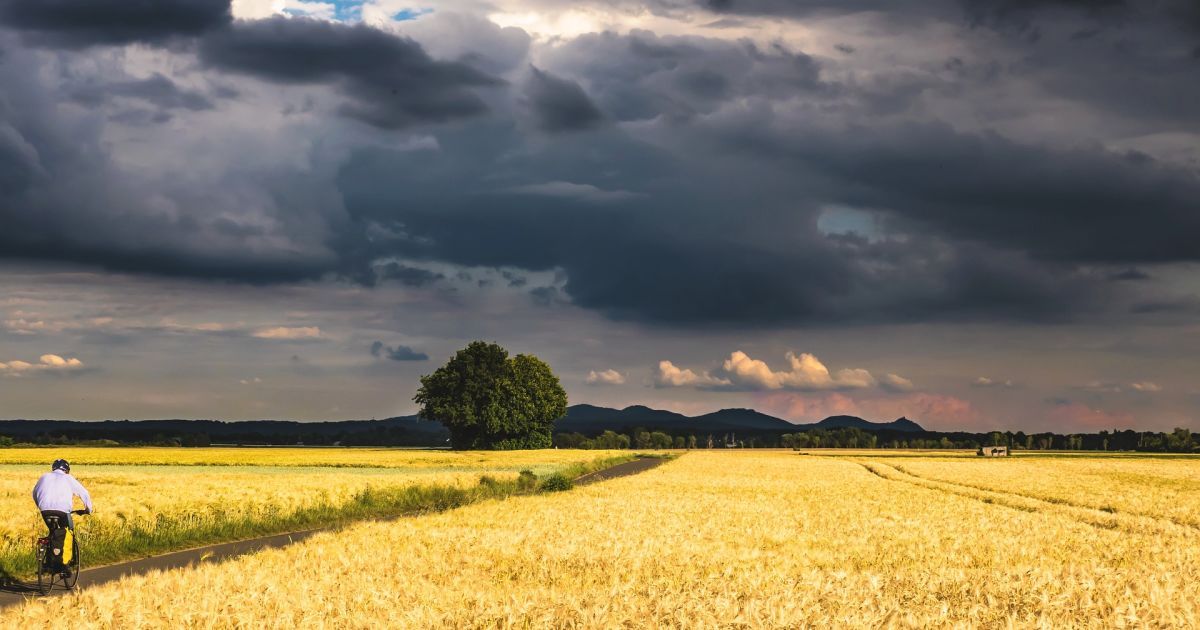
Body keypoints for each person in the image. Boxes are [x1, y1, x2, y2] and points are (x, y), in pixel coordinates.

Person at [32, 459, 93, 575]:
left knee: (53, 532)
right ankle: (64, 564)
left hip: (45, 510)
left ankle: (49, 562)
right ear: (66, 470)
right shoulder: (68, 478)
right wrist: (88, 510)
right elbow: (84, 493)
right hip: (63, 511)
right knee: (67, 532)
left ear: (54, 468)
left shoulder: (44, 476)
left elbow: (35, 493)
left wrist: (40, 506)